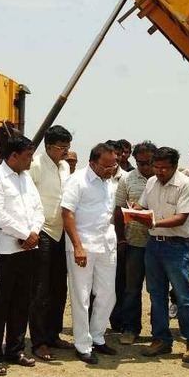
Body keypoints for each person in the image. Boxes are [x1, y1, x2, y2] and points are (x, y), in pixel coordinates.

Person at [133, 147, 189, 362]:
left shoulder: (187, 185)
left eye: (164, 168)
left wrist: (153, 221)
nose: (160, 171)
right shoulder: (151, 182)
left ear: (174, 166)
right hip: (154, 244)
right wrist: (134, 210)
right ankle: (161, 339)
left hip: (176, 246)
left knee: (184, 296)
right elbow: (142, 205)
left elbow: (182, 217)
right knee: (156, 294)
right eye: (157, 167)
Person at [0, 136, 45, 375]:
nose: (31, 160)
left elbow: (38, 209)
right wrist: (23, 234)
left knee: (22, 302)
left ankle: (16, 349)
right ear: (13, 156)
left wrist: (34, 233)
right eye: (28, 156)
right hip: (6, 250)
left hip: (28, 249)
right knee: (1, 304)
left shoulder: (26, 178)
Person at [61, 142, 119, 364]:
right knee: (81, 296)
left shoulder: (110, 182)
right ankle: (83, 344)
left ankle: (97, 336)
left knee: (107, 294)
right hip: (83, 246)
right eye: (106, 166)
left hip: (106, 244)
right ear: (93, 162)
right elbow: (67, 213)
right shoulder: (77, 181)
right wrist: (77, 246)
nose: (111, 169)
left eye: (113, 165)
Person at [28, 125, 75, 362]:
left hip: (61, 232)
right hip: (42, 231)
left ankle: (53, 334)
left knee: (59, 287)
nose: (65, 152)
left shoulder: (65, 166)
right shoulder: (35, 166)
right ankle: (39, 341)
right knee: (40, 289)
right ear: (48, 147)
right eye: (61, 148)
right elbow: (26, 198)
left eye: (67, 147)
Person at [114, 140, 157, 345]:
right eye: (140, 163)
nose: (144, 167)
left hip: (160, 243)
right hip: (134, 243)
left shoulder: (163, 179)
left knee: (157, 289)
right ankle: (130, 328)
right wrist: (121, 238)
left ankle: (159, 332)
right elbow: (118, 210)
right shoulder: (127, 179)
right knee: (131, 289)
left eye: (148, 162)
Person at [105, 139, 127, 332]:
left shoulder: (127, 178)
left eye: (119, 154)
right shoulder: (91, 177)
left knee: (119, 282)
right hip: (98, 240)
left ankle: (117, 321)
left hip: (118, 238)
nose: (116, 158)